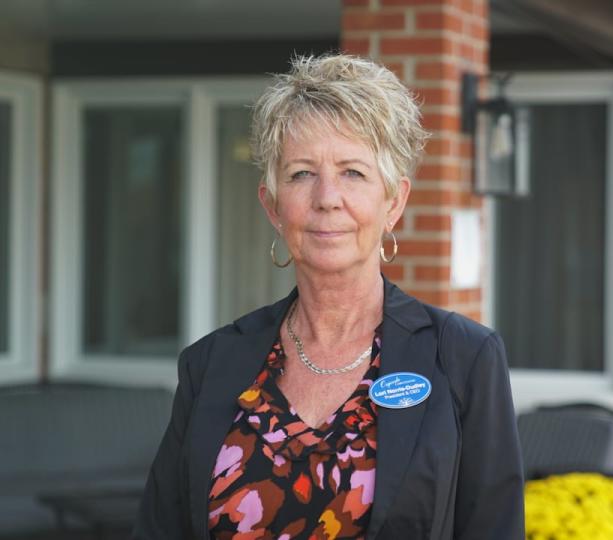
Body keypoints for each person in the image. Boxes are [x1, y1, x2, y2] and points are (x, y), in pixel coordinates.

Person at [133, 54, 524, 539]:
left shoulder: (464, 359)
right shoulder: (210, 363)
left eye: (353, 172)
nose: (326, 197)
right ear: (273, 206)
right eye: (301, 174)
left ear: (394, 202)